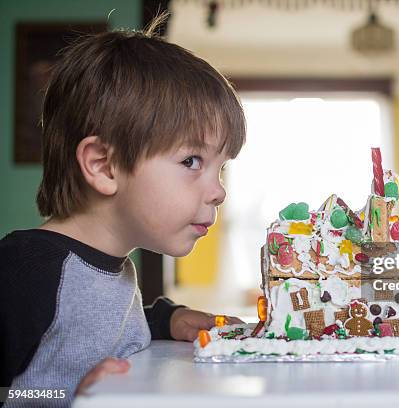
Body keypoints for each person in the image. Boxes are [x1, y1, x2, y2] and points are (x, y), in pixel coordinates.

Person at [0, 16, 245, 407]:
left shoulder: (109, 267)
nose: (218, 192)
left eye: (221, 168)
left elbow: (89, 330)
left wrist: (165, 321)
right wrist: (65, 398)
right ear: (103, 165)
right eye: (192, 161)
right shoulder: (24, 272)